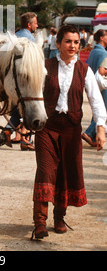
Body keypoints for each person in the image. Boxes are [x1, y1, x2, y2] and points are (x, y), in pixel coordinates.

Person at [32, 24, 106, 240]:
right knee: (45, 171)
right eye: (68, 41)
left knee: (66, 174)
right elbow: (32, 93)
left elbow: (96, 100)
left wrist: (101, 128)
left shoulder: (84, 71)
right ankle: (39, 222)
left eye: (76, 42)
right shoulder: (45, 66)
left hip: (71, 131)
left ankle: (59, 217)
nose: (73, 45)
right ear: (58, 44)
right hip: (47, 128)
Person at [4, 12, 38, 150]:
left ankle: (8, 128)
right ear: (29, 25)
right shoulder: (29, 39)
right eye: (35, 23)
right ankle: (25, 139)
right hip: (26, 79)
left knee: (20, 107)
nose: (37, 25)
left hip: (12, 78)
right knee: (31, 106)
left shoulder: (15, 36)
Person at [82, 29, 107, 147]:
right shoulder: (103, 53)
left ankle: (92, 134)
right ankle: (89, 133)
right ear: (102, 38)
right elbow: (102, 70)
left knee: (98, 110)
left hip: (94, 85)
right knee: (104, 109)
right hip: (103, 86)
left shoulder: (93, 51)